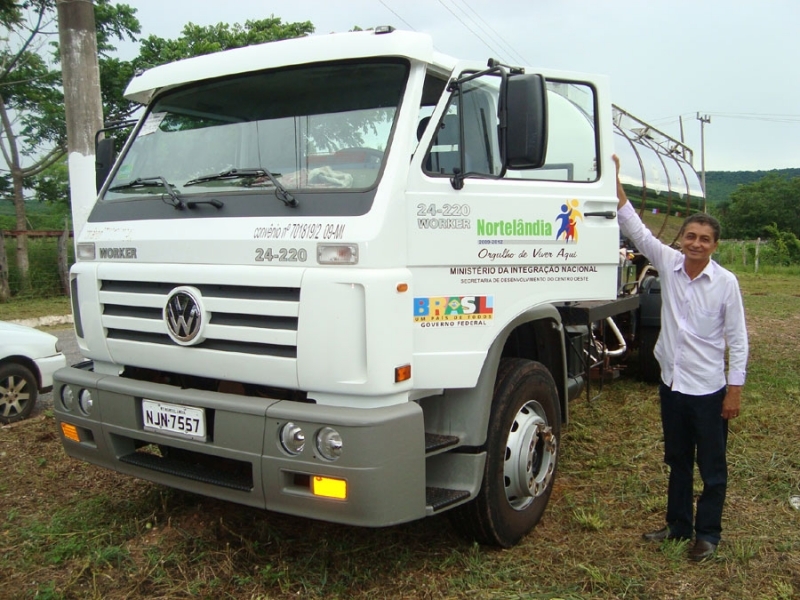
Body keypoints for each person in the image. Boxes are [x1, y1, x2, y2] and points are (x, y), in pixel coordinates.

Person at [612, 154, 748, 562]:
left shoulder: (726, 284)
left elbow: (737, 341)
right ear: (682, 240)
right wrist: (615, 177)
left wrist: (734, 391)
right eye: (690, 236)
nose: (695, 244)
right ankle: (677, 526)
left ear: (714, 245)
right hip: (672, 386)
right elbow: (632, 224)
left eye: (704, 239)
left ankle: (707, 535)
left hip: (708, 391)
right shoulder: (668, 264)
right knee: (676, 461)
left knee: (712, 468)